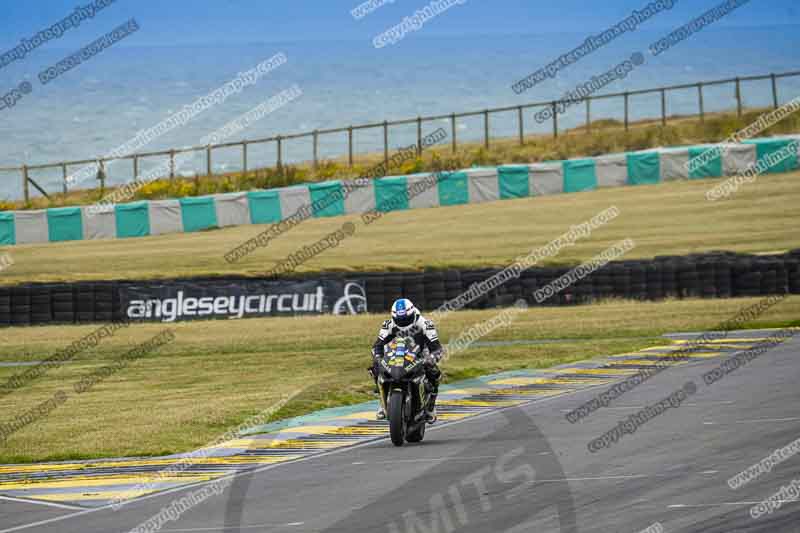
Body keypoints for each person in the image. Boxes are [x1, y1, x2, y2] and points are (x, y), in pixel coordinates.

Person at [370, 298, 443, 423]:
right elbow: (377, 345)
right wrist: (377, 357)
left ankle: (430, 406)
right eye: (400, 320)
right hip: (396, 353)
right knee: (375, 368)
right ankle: (382, 404)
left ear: (413, 314)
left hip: (420, 353)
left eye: (406, 319)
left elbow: (437, 348)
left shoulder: (425, 324)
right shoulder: (388, 324)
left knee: (434, 373)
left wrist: (432, 358)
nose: (403, 323)